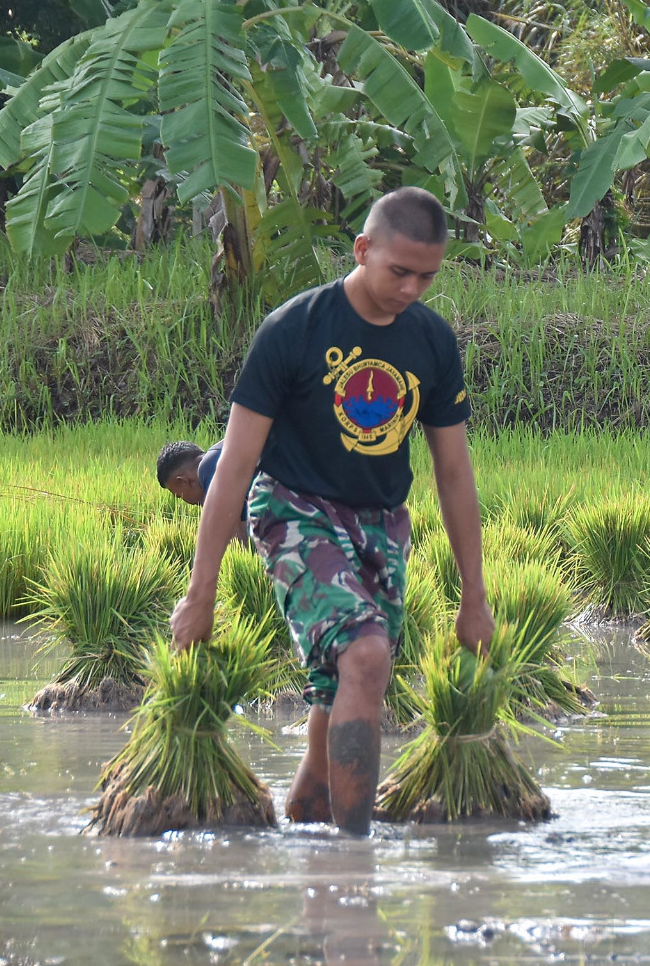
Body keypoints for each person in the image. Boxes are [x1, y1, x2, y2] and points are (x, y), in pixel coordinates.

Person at [170, 187, 494, 836]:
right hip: (292, 507)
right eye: (398, 271)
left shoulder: (431, 341)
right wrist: (200, 593)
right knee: (366, 657)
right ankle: (354, 862)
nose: (410, 289)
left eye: (426, 277)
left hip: (382, 523)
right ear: (363, 249)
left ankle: (309, 821)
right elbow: (234, 465)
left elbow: (454, 473)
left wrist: (474, 597)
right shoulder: (295, 329)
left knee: (337, 683)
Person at [156, 440, 223, 506]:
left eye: (179, 496)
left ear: (184, 481)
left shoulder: (208, 469)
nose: (185, 500)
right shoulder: (220, 449)